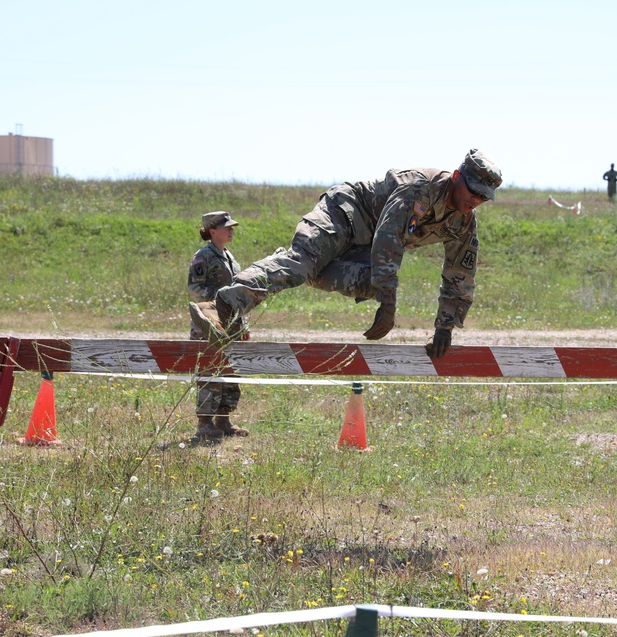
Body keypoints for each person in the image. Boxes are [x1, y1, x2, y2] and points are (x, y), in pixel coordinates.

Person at [190, 149, 502, 359]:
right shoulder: (420, 188)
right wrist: (389, 304)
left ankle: (298, 264)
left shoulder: (463, 223)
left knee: (365, 281)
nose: (475, 200)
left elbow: (460, 275)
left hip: (363, 247)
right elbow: (388, 240)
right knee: (301, 264)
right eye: (472, 191)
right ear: (458, 177)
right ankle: (223, 304)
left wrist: (445, 326)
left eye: (483, 197)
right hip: (344, 215)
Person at [188, 211, 249, 441]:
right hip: (210, 324)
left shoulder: (229, 256)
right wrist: (219, 303)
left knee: (230, 371)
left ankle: (223, 420)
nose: (232, 230)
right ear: (213, 231)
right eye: (227, 227)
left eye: (232, 226)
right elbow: (195, 289)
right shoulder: (203, 256)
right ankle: (205, 423)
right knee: (209, 370)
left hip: (232, 324)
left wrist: (243, 324)